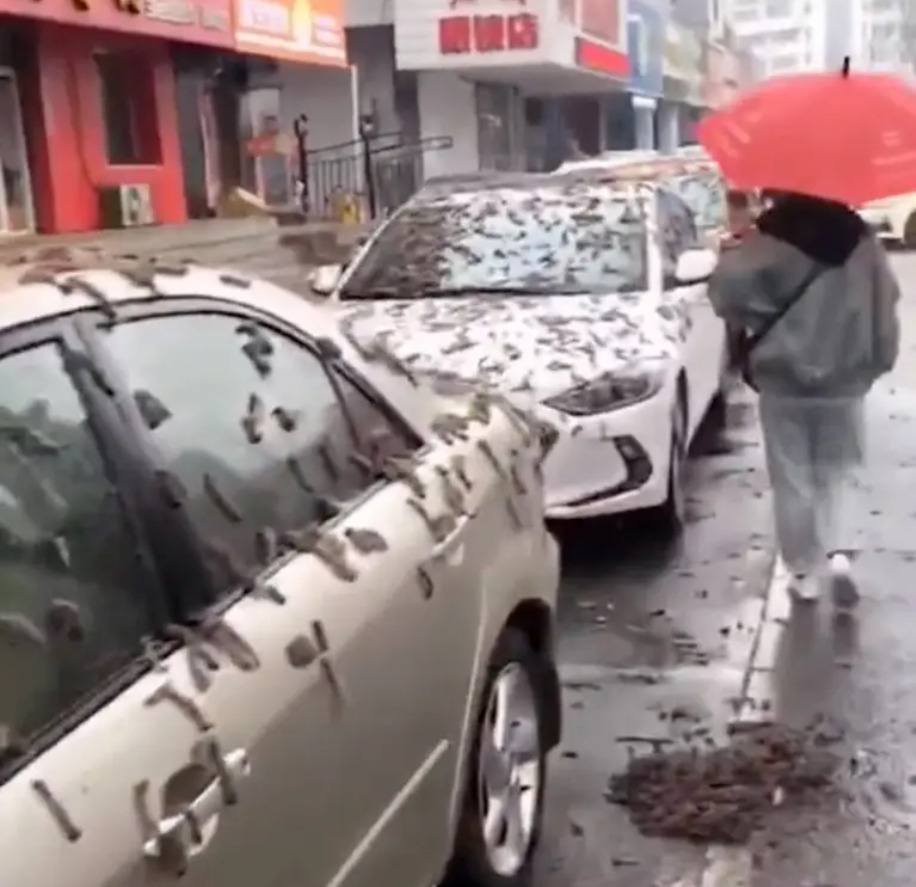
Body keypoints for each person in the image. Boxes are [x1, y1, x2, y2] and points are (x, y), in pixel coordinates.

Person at [707, 190, 901, 607]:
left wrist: (740, 265)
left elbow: (725, 293)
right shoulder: (859, 239)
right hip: (845, 377)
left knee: (791, 475)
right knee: (842, 467)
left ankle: (804, 573)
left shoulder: (768, 237)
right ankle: (840, 553)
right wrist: (879, 358)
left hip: (783, 378)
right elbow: (886, 300)